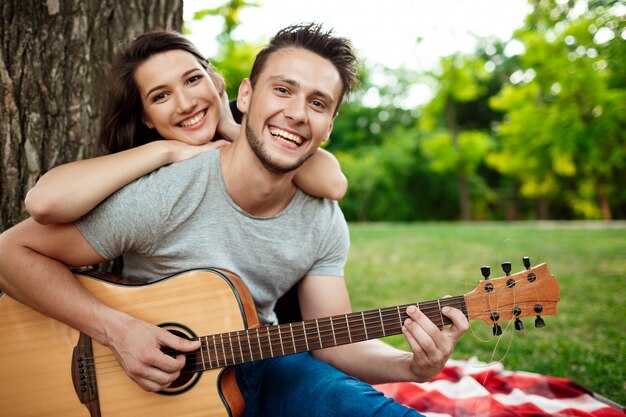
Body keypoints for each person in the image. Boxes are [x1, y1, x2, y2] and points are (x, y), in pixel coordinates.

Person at [0, 23, 468, 416]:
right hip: (132, 387)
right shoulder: (167, 190)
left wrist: (411, 367)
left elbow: (333, 339)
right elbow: (11, 250)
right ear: (247, 93)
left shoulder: (323, 218)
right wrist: (117, 330)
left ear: (330, 126)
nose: (296, 113)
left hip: (260, 365)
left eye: (318, 104)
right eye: (282, 90)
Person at [24, 30, 347, 225]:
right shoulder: (148, 164)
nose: (186, 104)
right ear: (146, 117)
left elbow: (333, 183)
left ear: (215, 81)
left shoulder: (250, 120)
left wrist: (230, 127)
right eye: (161, 96)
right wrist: (169, 150)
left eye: (193, 80)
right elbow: (43, 203)